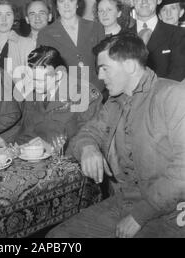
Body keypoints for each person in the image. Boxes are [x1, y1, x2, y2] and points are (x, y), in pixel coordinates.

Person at [47, 33, 185, 238]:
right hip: (125, 203)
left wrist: (140, 215)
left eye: (104, 68)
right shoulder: (114, 103)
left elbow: (182, 172)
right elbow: (87, 133)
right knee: (57, 238)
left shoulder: (173, 95)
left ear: (129, 66)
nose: (100, 76)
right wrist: (88, 148)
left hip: (170, 212)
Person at [0, 45, 102, 148]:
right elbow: (24, 127)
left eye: (39, 80)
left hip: (67, 161)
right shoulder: (33, 92)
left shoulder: (85, 94)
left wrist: (51, 148)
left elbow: (91, 139)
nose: (33, 84)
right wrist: (4, 139)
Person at [37, 0, 105, 91]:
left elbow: (105, 65)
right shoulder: (45, 34)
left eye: (71, 0)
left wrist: (97, 89)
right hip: (64, 97)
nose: (66, 5)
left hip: (95, 94)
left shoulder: (96, 28)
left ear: (78, 3)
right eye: (61, 1)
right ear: (56, 5)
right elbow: (44, 73)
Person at [130, 0, 185, 81]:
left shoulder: (178, 35)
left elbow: (177, 74)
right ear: (132, 0)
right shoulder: (122, 37)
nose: (144, 1)